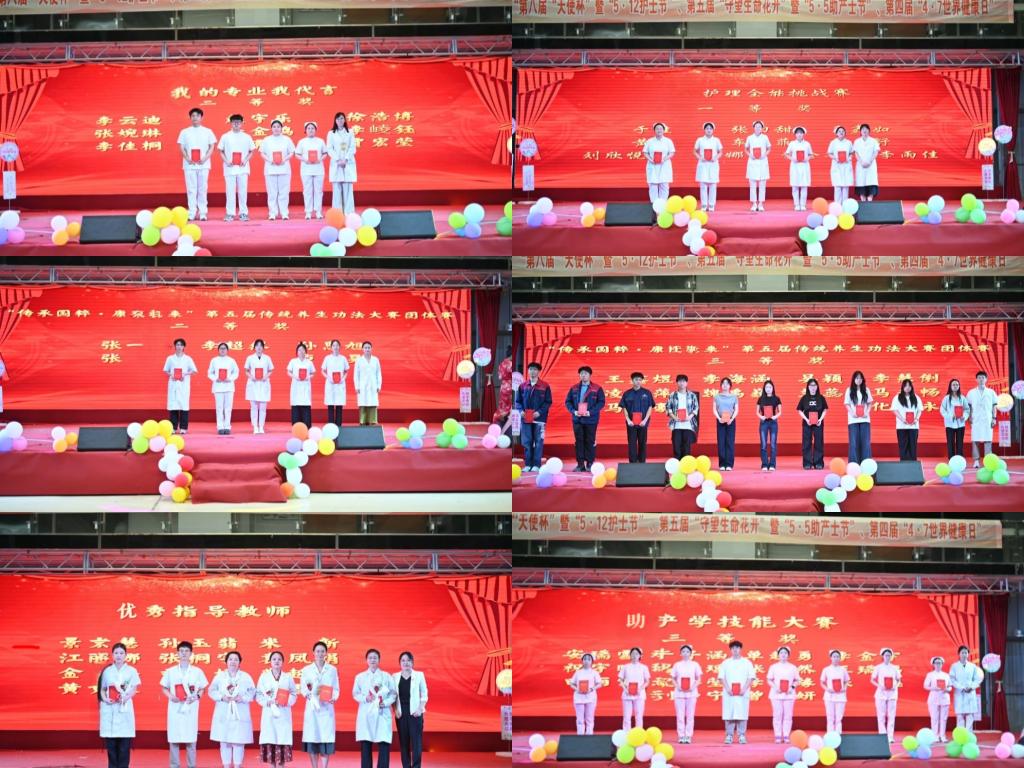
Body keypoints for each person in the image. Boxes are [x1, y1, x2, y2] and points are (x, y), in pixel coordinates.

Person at [160, 640, 209, 768]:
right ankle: (174, 765)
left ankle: (191, 765)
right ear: (177, 653)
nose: (184, 653)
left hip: (190, 708)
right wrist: (171, 696)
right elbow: (164, 687)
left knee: (191, 739)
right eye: (181, 651)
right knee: (174, 739)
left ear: (191, 653)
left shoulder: (197, 671)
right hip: (175, 708)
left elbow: (203, 688)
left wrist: (197, 697)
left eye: (187, 651)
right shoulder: (170, 671)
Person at [209, 651, 256, 768]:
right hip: (223, 711)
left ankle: (237, 765)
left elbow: (253, 692)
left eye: (236, 659)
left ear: (240, 662)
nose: (233, 662)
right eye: (230, 659)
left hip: (240, 711)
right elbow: (211, 691)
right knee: (224, 741)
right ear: (226, 662)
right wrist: (222, 697)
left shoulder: (246, 677)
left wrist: (243, 698)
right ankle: (226, 765)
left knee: (238, 741)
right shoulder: (220, 676)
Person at [98, 642, 141, 768]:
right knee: (111, 747)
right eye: (116, 653)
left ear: (126, 655)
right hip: (110, 708)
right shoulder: (107, 671)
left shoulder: (132, 671)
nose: (119, 655)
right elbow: (102, 689)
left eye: (121, 653)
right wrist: (105, 699)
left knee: (124, 747)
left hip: (124, 707)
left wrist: (125, 698)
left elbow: (134, 689)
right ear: (112, 655)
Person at [353, 649, 397, 768]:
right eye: (370, 658)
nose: (373, 660)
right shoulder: (360, 677)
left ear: (379, 660)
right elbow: (355, 694)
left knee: (383, 744)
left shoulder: (386, 676)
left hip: (382, 712)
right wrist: (365, 698)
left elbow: (393, 694)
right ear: (366, 660)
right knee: (366, 744)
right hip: (366, 713)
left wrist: (385, 703)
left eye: (375, 658)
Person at [300, 641, 340, 767]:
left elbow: (336, 688)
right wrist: (309, 695)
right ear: (313, 653)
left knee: (325, 741)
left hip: (326, 708)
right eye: (318, 651)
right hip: (312, 709)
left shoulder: (332, 670)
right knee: (313, 740)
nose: (320, 653)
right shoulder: (306, 670)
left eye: (323, 651)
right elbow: (303, 688)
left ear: (326, 653)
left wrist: (333, 697)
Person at [255, 650, 298, 768]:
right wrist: (266, 702)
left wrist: (286, 701)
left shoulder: (287, 677)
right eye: (274, 659)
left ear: (283, 662)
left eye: (279, 659)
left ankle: (281, 766)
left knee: (282, 741)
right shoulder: (264, 677)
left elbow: (294, 693)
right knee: (271, 741)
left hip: (283, 713)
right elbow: (258, 694)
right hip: (269, 714)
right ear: (270, 661)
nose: (276, 661)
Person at [177, 107, 217, 222]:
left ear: (201, 117)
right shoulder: (184, 132)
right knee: (191, 189)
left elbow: (212, 146)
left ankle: (203, 212)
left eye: (197, 116)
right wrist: (187, 158)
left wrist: (205, 158)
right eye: (193, 116)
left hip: (203, 164)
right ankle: (192, 212)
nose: (195, 118)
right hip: (189, 165)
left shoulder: (208, 131)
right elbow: (181, 147)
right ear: (190, 118)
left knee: (202, 189)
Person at [565, 366, 605, 473]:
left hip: (591, 420)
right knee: (579, 441)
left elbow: (601, 402)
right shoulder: (574, 388)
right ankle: (580, 464)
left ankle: (590, 463)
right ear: (579, 375)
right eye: (581, 373)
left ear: (590, 375)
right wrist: (574, 411)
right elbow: (568, 402)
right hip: (577, 419)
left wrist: (590, 412)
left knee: (590, 441)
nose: (583, 375)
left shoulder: (597, 388)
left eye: (586, 373)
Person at [218, 113, 256, 222]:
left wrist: (245, 160)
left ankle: (243, 213)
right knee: (230, 192)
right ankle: (230, 213)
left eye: (238, 122)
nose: (236, 124)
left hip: (243, 168)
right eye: (234, 122)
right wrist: (227, 161)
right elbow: (220, 150)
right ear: (230, 123)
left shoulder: (246, 137)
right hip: (229, 168)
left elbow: (252, 150)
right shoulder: (225, 136)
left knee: (243, 192)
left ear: (242, 123)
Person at [393, 651, 428, 768]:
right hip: (401, 713)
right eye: (403, 660)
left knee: (416, 742)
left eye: (408, 660)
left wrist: (420, 709)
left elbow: (424, 694)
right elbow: (393, 696)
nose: (406, 663)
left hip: (415, 713)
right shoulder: (394, 677)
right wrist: (395, 710)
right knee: (404, 743)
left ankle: (416, 766)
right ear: (400, 663)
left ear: (412, 662)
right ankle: (406, 766)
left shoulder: (419, 675)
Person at [516, 361, 552, 473]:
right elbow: (518, 401)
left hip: (539, 419)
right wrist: (521, 411)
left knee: (538, 441)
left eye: (535, 369)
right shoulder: (522, 386)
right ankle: (528, 464)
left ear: (539, 371)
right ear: (528, 371)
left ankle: (536, 464)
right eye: (531, 369)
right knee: (527, 442)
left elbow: (548, 402)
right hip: (526, 418)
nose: (532, 372)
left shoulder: (545, 386)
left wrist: (539, 412)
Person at [718, 640, 755, 745]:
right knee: (729, 714)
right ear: (730, 650)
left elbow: (751, 677)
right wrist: (727, 689)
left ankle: (741, 735)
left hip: (742, 693)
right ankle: (729, 735)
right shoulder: (726, 663)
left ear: (740, 649)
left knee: (742, 714)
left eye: (737, 648)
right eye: (733, 648)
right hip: (729, 693)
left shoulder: (747, 662)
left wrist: (744, 689)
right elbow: (721, 677)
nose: (735, 650)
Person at [261, 120, 296, 220]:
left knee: (284, 192)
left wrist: (284, 159)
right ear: (271, 128)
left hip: (284, 169)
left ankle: (284, 213)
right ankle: (272, 213)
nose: (276, 128)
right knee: (272, 193)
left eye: (278, 126)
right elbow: (262, 153)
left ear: (281, 128)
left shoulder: (287, 139)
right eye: (274, 126)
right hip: (270, 169)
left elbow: (292, 152)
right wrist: (270, 160)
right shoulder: (266, 140)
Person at [164, 338, 198, 435]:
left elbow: (194, 371)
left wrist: (185, 374)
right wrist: (171, 375)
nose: (179, 346)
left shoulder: (188, 359)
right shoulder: (170, 358)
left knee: (184, 406)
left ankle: (183, 428)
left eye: (181, 345)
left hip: (184, 385)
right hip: (173, 384)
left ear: (184, 347)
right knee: (173, 406)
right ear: (175, 346)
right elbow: (166, 370)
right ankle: (173, 428)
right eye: (177, 345)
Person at [295, 121, 327, 220]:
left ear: (315, 130)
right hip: (306, 169)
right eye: (308, 128)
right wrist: (305, 160)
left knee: (318, 191)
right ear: (305, 130)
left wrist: (319, 159)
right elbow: (297, 154)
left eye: (312, 128)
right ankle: (308, 212)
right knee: (307, 191)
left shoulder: (320, 141)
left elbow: (325, 153)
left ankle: (318, 211)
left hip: (318, 169)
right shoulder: (302, 142)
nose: (310, 130)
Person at [767, 646, 799, 744]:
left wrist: (791, 687)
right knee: (777, 715)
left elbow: (797, 680)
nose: (783, 654)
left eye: (785, 653)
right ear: (778, 655)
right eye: (781, 653)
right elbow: (769, 679)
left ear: (788, 655)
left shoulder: (793, 667)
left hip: (789, 694)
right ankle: (777, 735)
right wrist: (775, 687)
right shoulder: (773, 667)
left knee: (788, 715)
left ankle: (786, 735)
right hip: (776, 694)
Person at [620, 371, 654, 463]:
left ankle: (642, 462)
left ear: (642, 381)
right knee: (632, 443)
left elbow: (650, 407)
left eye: (640, 380)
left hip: (643, 423)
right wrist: (628, 420)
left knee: (643, 443)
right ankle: (633, 462)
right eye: (636, 379)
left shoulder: (647, 393)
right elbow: (624, 408)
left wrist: (645, 420)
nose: (638, 381)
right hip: (631, 423)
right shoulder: (627, 393)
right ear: (632, 380)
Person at [670, 645, 702, 745]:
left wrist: (693, 687)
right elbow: (672, 678)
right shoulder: (677, 665)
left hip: (691, 693)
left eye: (687, 651)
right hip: (679, 693)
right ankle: (681, 735)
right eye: (683, 651)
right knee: (680, 715)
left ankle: (688, 735)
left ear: (691, 653)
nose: (685, 653)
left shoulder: (695, 664)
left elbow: (699, 678)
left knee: (690, 715)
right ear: (680, 653)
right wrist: (677, 686)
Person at [327, 112, 358, 213]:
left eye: (341, 118)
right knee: (337, 191)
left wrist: (346, 159)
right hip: (336, 164)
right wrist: (338, 160)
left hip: (348, 163)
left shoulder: (350, 132)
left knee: (348, 190)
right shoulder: (331, 133)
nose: (340, 121)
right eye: (338, 119)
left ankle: (349, 213)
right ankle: (337, 214)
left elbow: (352, 147)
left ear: (344, 120)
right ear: (335, 121)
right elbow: (329, 148)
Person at [966, 371, 998, 468]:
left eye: (983, 377)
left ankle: (987, 461)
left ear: (986, 379)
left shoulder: (991, 392)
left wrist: (994, 418)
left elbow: (994, 406)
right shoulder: (971, 392)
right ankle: (976, 461)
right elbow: (969, 406)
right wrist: (970, 417)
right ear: (976, 379)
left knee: (988, 440)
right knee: (975, 440)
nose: (981, 379)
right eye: (979, 378)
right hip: (976, 419)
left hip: (988, 418)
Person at [949, 645, 983, 732]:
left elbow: (977, 679)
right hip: (959, 692)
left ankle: (969, 735)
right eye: (962, 653)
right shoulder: (954, 666)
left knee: (970, 715)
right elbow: (952, 679)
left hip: (970, 692)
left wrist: (972, 687)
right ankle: (960, 735)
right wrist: (962, 688)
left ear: (968, 654)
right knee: (960, 716)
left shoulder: (973, 666)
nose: (964, 654)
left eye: (966, 653)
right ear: (959, 654)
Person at [871, 648, 901, 743]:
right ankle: (882, 736)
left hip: (892, 694)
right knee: (881, 715)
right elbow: (872, 679)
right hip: (881, 694)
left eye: (889, 655)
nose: (887, 657)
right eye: (886, 655)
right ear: (882, 656)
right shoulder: (878, 667)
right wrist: (880, 686)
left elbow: (899, 679)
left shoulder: (895, 668)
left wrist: (895, 686)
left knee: (891, 716)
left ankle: (890, 736)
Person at [796, 377, 828, 470]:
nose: (813, 387)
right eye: (811, 385)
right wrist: (806, 419)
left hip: (818, 423)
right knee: (806, 443)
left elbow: (825, 409)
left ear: (817, 387)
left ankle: (818, 463)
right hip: (807, 423)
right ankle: (807, 463)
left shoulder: (821, 398)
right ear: (808, 387)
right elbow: (799, 410)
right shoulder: (804, 398)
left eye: (814, 385)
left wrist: (820, 419)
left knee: (819, 442)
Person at [209, 342, 240, 435]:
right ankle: (220, 427)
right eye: (221, 348)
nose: (222, 350)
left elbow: (236, 372)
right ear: (218, 350)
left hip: (229, 387)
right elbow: (210, 373)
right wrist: (216, 378)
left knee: (228, 408)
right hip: (218, 387)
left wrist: (230, 378)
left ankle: (227, 427)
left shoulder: (231, 360)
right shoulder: (214, 360)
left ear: (227, 350)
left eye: (224, 348)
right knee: (219, 408)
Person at [245, 339, 274, 435]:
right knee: (253, 407)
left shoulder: (267, 358)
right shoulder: (250, 358)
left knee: (262, 407)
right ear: (254, 347)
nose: (259, 347)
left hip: (263, 383)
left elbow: (271, 370)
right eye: (257, 345)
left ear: (263, 347)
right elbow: (246, 370)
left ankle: (261, 426)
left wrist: (266, 376)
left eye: (261, 345)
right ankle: (255, 427)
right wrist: (251, 377)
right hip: (253, 383)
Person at [666, 374, 699, 460]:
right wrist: (674, 417)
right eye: (680, 381)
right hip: (676, 425)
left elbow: (696, 408)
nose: (682, 383)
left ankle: (686, 464)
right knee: (676, 446)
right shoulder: (672, 395)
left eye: (684, 381)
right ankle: (677, 464)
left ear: (687, 383)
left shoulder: (692, 395)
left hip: (688, 425)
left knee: (686, 447)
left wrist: (690, 416)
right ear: (677, 383)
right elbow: (668, 408)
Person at [618, 647, 651, 732]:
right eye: (632, 654)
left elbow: (647, 681)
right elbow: (620, 680)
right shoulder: (625, 667)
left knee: (639, 716)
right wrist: (625, 689)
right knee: (627, 716)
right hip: (627, 694)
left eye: (636, 654)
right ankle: (626, 734)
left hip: (639, 694)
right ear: (630, 655)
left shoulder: (644, 667)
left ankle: (638, 734)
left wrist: (640, 689)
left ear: (640, 655)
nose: (634, 655)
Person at [569, 652, 602, 736]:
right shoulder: (578, 672)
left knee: (589, 719)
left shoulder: (594, 673)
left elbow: (599, 684)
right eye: (585, 659)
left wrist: (591, 689)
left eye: (589, 659)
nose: (586, 661)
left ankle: (589, 736)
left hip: (590, 698)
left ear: (592, 661)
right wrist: (577, 689)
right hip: (579, 698)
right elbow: (571, 684)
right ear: (582, 661)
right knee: (580, 719)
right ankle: (580, 736)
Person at [844, 370, 873, 463]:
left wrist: (867, 412)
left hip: (865, 419)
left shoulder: (866, 390)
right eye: (857, 378)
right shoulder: (849, 390)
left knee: (866, 442)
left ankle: (866, 463)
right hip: (853, 420)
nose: (859, 380)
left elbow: (870, 403)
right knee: (853, 443)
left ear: (863, 379)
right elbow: (847, 404)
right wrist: (852, 413)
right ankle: (854, 463)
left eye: (860, 378)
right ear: (853, 379)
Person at [643, 122, 675, 204]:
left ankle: (663, 204)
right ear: (654, 130)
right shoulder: (650, 141)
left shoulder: (668, 141)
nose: (659, 130)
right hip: (652, 165)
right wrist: (650, 159)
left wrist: (664, 159)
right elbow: (645, 152)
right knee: (653, 185)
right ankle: (654, 204)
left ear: (664, 130)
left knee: (664, 184)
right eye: (657, 129)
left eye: (661, 129)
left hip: (664, 165)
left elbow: (672, 152)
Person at [694, 122, 723, 212]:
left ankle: (711, 205)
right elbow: (695, 151)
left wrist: (716, 157)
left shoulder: (716, 140)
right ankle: (703, 205)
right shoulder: (700, 140)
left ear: (713, 130)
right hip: (703, 164)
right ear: (704, 130)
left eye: (710, 128)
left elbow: (721, 152)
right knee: (703, 185)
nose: (709, 130)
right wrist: (700, 157)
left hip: (713, 164)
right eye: (707, 128)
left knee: (713, 185)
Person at [321, 339, 350, 430]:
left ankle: (339, 427)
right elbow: (323, 370)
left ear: (339, 347)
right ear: (331, 347)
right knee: (330, 405)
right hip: (330, 384)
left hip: (340, 384)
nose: (335, 347)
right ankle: (331, 427)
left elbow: (346, 371)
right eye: (334, 345)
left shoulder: (343, 358)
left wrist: (343, 378)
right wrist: (328, 377)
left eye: (337, 345)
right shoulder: (327, 358)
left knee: (339, 406)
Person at [820, 649, 850, 734]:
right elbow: (822, 682)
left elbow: (846, 681)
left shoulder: (843, 669)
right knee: (830, 717)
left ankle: (838, 735)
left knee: (838, 718)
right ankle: (830, 735)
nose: (836, 658)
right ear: (831, 658)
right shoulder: (826, 669)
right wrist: (827, 689)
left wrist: (844, 688)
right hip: (829, 696)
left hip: (840, 696)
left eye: (837, 657)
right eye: (834, 656)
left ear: (840, 658)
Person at [892, 379, 923, 461]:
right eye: (905, 385)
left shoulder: (916, 397)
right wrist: (903, 419)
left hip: (914, 426)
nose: (907, 387)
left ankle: (913, 463)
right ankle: (903, 464)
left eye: (909, 385)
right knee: (903, 446)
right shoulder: (897, 397)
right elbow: (894, 410)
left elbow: (920, 410)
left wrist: (916, 419)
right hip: (901, 426)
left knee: (913, 446)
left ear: (912, 387)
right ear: (902, 387)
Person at [785, 127, 815, 211]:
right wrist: (792, 158)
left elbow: (811, 155)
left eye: (801, 133)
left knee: (804, 186)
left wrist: (807, 158)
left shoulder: (807, 144)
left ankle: (803, 205)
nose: (799, 134)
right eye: (797, 133)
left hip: (804, 166)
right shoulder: (792, 144)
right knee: (795, 186)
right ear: (795, 134)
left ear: (803, 134)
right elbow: (786, 154)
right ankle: (796, 205)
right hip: (795, 166)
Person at [939, 378, 970, 459]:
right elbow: (942, 410)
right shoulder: (946, 398)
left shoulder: (962, 398)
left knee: (960, 443)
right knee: (950, 442)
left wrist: (964, 416)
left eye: (957, 385)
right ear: (950, 386)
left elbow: (967, 409)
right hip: (950, 423)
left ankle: (959, 459)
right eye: (953, 385)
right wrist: (950, 416)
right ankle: (951, 459)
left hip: (960, 423)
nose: (955, 386)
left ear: (959, 386)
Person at [744, 120, 771, 212]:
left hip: (762, 162)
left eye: (760, 126)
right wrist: (750, 155)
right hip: (753, 162)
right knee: (752, 185)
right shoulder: (749, 138)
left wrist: (764, 154)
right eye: (756, 126)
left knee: (762, 184)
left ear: (762, 128)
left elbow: (769, 148)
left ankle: (761, 204)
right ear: (753, 128)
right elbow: (746, 148)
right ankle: (754, 203)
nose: (758, 128)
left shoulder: (765, 137)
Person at [354, 341, 382, 426]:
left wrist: (379, 385)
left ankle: (373, 421)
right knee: (363, 403)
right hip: (362, 386)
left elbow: (378, 373)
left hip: (373, 385)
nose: (367, 349)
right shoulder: (359, 360)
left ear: (371, 349)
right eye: (365, 348)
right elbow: (356, 374)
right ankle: (363, 421)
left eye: (369, 347)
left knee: (372, 403)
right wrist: (357, 386)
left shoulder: (375, 360)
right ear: (362, 349)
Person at [713, 377, 738, 471]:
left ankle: (729, 464)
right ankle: (722, 464)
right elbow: (714, 409)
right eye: (723, 383)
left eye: (727, 383)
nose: (725, 385)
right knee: (721, 442)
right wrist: (719, 418)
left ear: (730, 386)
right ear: (721, 385)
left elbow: (736, 409)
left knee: (730, 442)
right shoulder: (717, 397)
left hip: (731, 421)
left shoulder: (734, 397)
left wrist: (732, 418)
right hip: (720, 421)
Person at [288, 343, 316, 428]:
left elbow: (313, 373)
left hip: (305, 386)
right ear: (297, 352)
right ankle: (296, 427)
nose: (301, 351)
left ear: (306, 351)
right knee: (296, 405)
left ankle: (307, 426)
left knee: (305, 404)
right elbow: (288, 372)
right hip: (296, 386)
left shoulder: (309, 362)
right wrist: (295, 377)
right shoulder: (293, 361)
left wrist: (308, 377)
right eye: (299, 350)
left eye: (303, 350)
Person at [924, 656, 951, 743]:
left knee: (943, 718)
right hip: (934, 698)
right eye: (936, 663)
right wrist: (934, 688)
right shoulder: (930, 675)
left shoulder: (946, 675)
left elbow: (950, 686)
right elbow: (925, 686)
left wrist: (946, 689)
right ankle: (935, 736)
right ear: (933, 664)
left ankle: (942, 736)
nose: (938, 664)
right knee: (934, 718)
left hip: (944, 698)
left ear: (942, 664)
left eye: (940, 663)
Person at [757, 379, 781, 471]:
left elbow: (780, 411)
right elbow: (757, 412)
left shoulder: (776, 398)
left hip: (773, 422)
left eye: (770, 387)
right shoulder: (761, 399)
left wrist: (775, 417)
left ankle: (772, 464)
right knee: (763, 444)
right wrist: (761, 417)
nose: (768, 389)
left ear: (773, 388)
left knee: (773, 444)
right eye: (766, 387)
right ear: (764, 388)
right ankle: (764, 464)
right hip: (763, 423)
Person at [853, 123, 880, 201]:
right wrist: (861, 162)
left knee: (871, 182)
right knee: (861, 183)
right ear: (860, 131)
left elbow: (876, 152)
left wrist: (870, 162)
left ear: (869, 131)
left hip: (871, 165)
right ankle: (863, 201)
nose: (864, 131)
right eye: (863, 129)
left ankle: (870, 200)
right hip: (860, 165)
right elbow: (856, 153)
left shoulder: (873, 141)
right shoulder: (857, 141)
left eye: (866, 129)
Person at [828, 126, 854, 204]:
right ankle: (837, 204)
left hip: (846, 165)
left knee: (845, 186)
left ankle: (845, 204)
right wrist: (835, 158)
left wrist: (849, 158)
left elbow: (852, 153)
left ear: (845, 133)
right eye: (839, 131)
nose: (841, 132)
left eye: (843, 131)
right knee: (837, 186)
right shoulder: (833, 142)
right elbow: (829, 153)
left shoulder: (849, 142)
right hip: (837, 165)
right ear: (836, 133)